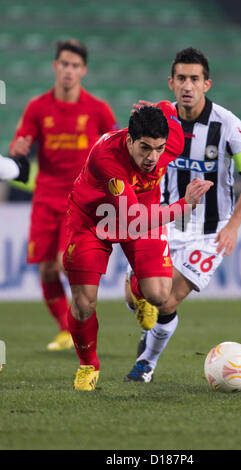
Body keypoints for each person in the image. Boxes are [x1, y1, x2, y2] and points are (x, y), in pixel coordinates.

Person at [124, 47, 241, 382]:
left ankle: (146, 364)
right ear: (171, 83)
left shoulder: (228, 126)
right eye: (182, 78)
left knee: (168, 301)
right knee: (135, 298)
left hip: (211, 230)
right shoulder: (161, 118)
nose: (188, 85)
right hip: (169, 220)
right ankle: (144, 314)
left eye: (195, 79)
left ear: (207, 84)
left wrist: (233, 226)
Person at [63, 101, 213, 390]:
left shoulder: (172, 139)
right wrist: (183, 206)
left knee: (159, 295)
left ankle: (137, 284)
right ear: (129, 140)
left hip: (142, 211)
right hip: (92, 221)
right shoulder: (107, 158)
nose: (153, 157)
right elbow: (134, 219)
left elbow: (169, 107)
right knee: (84, 303)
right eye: (145, 148)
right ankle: (88, 364)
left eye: (159, 148)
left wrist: (158, 106)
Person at [9, 39, 118, 351]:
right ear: (55, 67)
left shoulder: (97, 110)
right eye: (64, 64)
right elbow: (21, 145)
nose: (68, 71)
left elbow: (114, 147)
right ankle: (65, 329)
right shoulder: (37, 107)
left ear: (83, 70)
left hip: (79, 201)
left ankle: (80, 325)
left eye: (75, 66)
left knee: (62, 263)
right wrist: (18, 150)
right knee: (45, 267)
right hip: (45, 197)